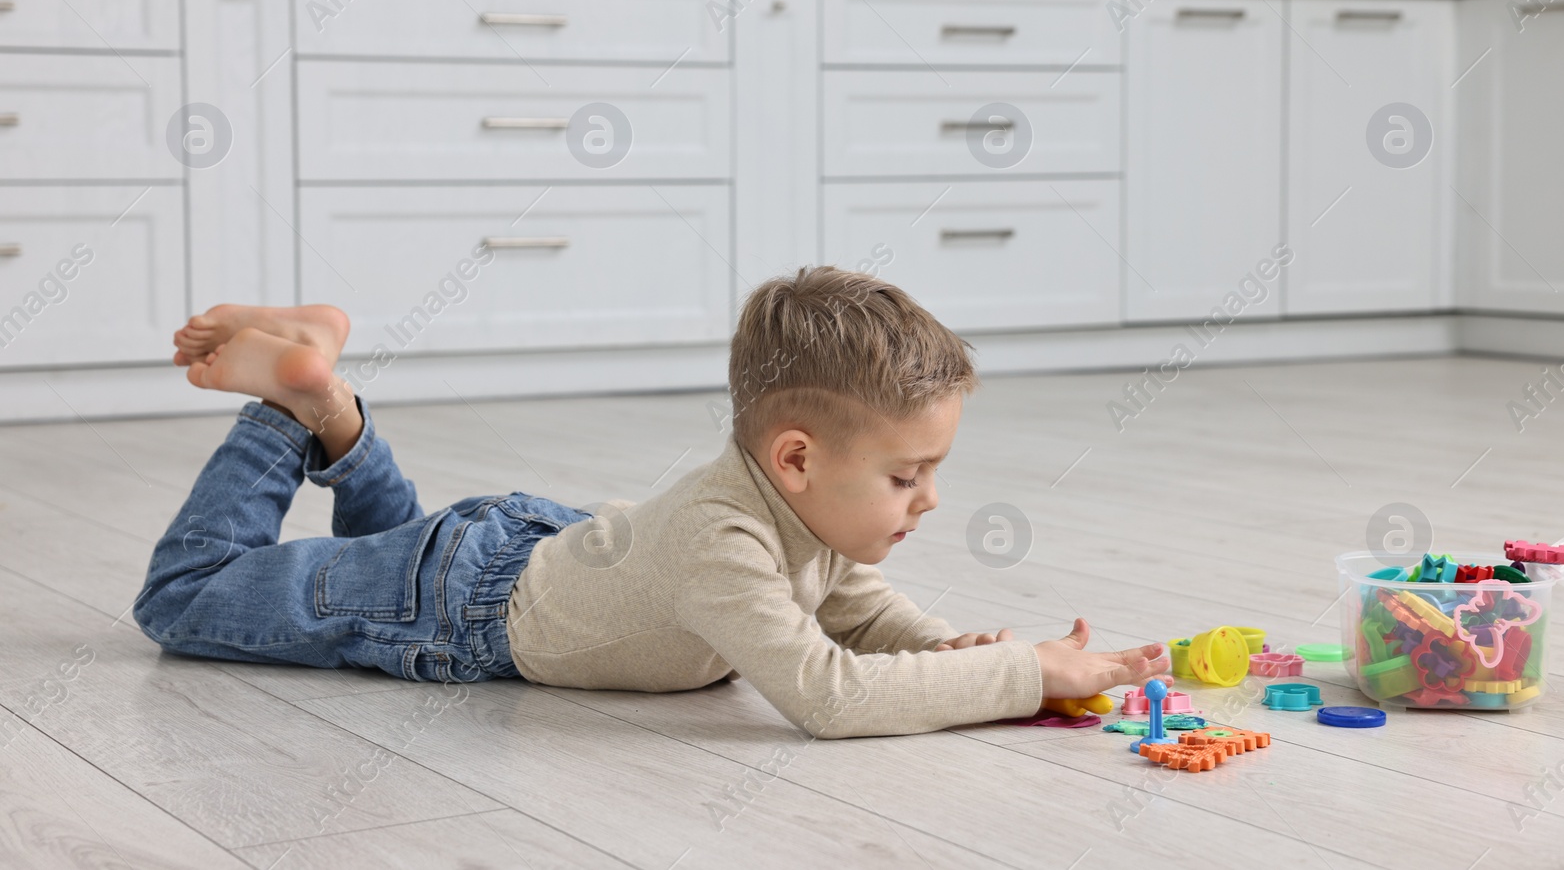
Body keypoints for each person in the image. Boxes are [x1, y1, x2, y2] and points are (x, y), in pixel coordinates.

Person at [134, 267, 1167, 738]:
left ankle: (331, 401)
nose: (931, 499)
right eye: (908, 475)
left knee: (383, 552)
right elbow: (828, 695)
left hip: (514, 552)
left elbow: (855, 608)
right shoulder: (721, 538)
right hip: (462, 608)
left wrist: (948, 652)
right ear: (796, 456)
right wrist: (1025, 668)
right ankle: (286, 405)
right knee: (186, 599)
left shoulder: (800, 510)